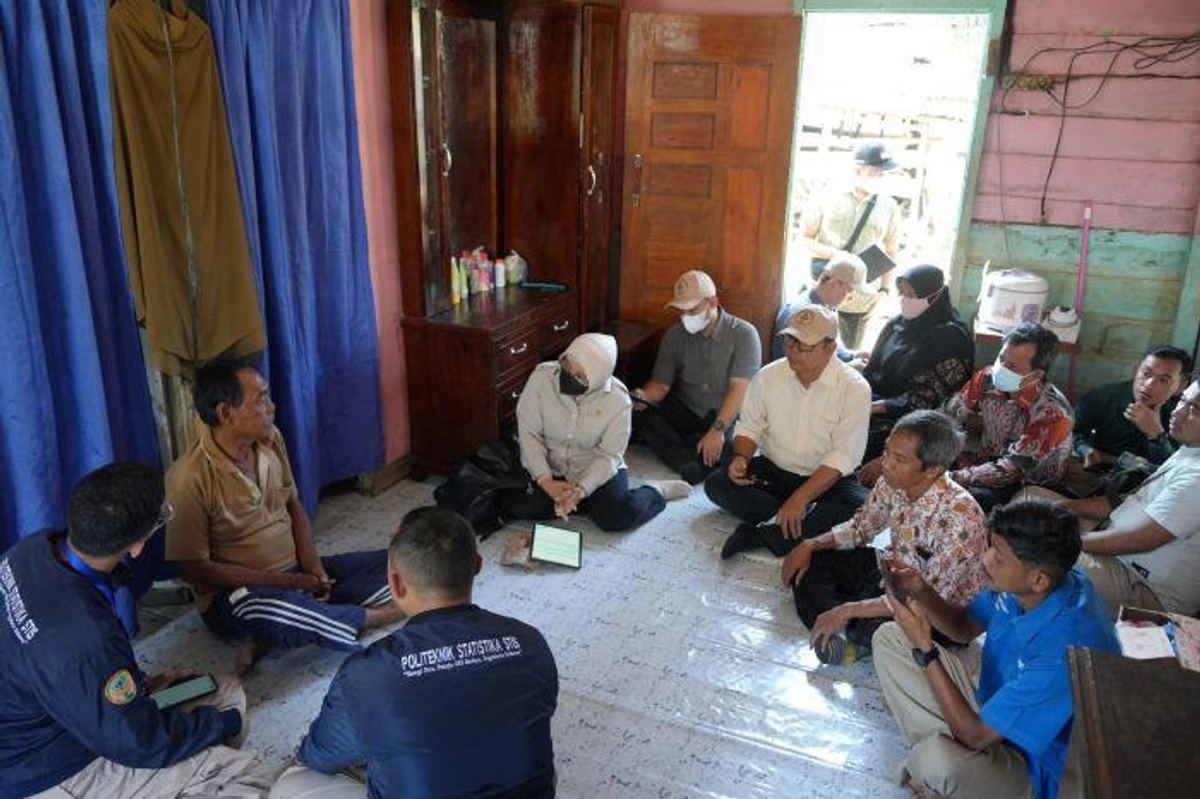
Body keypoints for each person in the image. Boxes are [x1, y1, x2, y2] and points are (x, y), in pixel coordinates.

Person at [0, 463, 272, 799]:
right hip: (44, 768)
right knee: (246, 774)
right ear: (137, 546)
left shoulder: (32, 549)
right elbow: (138, 743)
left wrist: (135, 684)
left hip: (65, 711)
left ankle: (187, 777)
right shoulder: (86, 637)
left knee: (225, 690)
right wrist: (218, 724)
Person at [269, 507, 558, 799]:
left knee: (295, 781)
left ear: (395, 583)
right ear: (477, 565)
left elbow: (319, 754)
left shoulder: (369, 673)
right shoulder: (530, 641)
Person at [165, 358, 402, 675]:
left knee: (403, 562)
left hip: (295, 575)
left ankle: (278, 633)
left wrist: (314, 569)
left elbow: (294, 506)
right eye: (261, 399)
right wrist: (286, 582)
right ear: (225, 413)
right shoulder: (188, 477)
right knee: (268, 606)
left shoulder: (270, 439)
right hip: (241, 595)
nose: (272, 407)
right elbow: (195, 569)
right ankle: (377, 615)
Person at [873, 500, 1119, 799]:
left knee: (935, 761)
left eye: (999, 557)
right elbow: (964, 627)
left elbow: (976, 736)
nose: (985, 559)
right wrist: (921, 590)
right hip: (993, 713)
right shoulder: (1035, 585)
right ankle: (944, 772)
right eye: (990, 546)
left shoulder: (1065, 651)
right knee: (891, 638)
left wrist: (926, 648)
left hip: (1034, 770)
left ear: (1038, 579)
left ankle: (941, 772)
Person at [780, 411, 988, 664]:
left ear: (933, 470)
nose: (886, 463)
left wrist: (849, 609)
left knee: (897, 629)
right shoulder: (890, 481)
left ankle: (850, 628)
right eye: (887, 451)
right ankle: (851, 630)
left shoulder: (961, 518)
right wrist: (810, 544)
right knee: (810, 564)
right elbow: (861, 529)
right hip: (890, 577)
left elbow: (926, 600)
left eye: (899, 459)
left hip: (937, 611)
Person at [707, 305, 871, 560]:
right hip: (775, 472)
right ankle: (792, 525)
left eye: (803, 346)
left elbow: (843, 456)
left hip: (825, 480)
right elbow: (749, 426)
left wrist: (801, 498)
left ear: (830, 347)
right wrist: (741, 458)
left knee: (863, 507)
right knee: (717, 484)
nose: (793, 351)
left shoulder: (855, 389)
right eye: (789, 341)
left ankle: (764, 532)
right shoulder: (768, 376)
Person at [1028, 377, 1200, 618]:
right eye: (1182, 401)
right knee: (1031, 500)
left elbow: (1140, 539)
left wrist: (1068, 540)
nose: (1178, 412)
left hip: (1144, 586)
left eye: (1195, 409)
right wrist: (1066, 506)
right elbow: (1125, 503)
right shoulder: (1189, 451)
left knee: (1032, 549)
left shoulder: (1196, 477)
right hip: (1118, 546)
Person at [499, 333, 690, 532]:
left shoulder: (618, 400)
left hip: (593, 468)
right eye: (567, 365)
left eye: (580, 376)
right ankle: (580, 504)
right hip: (550, 465)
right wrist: (545, 480)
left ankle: (654, 491)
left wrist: (581, 490)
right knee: (517, 506)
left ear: (597, 379)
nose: (569, 376)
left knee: (615, 518)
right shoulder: (542, 378)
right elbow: (529, 435)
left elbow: (609, 455)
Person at [632, 270, 762, 485]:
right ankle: (695, 459)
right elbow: (661, 385)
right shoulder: (674, 336)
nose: (685, 316)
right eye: (681, 311)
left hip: (727, 416)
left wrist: (717, 430)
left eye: (692, 310)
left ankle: (691, 458)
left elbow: (739, 389)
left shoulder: (744, 334)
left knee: (740, 441)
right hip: (689, 410)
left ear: (713, 302)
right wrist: (643, 397)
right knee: (645, 415)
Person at [854, 264, 974, 470]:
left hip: (917, 424)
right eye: (903, 293)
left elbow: (929, 400)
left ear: (935, 297)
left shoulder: (951, 339)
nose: (905, 300)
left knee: (856, 446)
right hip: (877, 403)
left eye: (913, 295)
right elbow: (874, 369)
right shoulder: (897, 324)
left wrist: (877, 407)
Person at [944, 322, 1072, 511]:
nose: (1001, 368)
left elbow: (1013, 469)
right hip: (987, 461)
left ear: (1036, 375)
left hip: (1029, 484)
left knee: (963, 500)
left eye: (1011, 366)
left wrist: (952, 478)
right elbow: (949, 413)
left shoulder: (1053, 414)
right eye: (1001, 358)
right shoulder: (986, 378)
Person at [796, 141, 904, 349]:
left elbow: (891, 251)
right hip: (824, 289)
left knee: (851, 353)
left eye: (885, 173)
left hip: (860, 296)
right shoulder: (825, 196)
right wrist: (838, 256)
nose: (882, 177)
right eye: (877, 172)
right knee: (810, 346)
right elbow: (803, 240)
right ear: (857, 170)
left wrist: (884, 292)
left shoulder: (889, 207)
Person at [1065, 344, 1190, 497]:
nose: (1149, 384)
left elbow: (1177, 470)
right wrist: (1085, 449)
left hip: (1147, 489)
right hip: (1097, 473)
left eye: (1164, 380)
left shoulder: (1185, 417)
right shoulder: (1105, 396)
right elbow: (1072, 430)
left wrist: (1156, 435)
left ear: (1181, 385)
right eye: (1146, 373)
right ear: (1136, 370)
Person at [770, 254, 872, 362]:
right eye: (849, 291)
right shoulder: (806, 316)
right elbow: (803, 365)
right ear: (834, 284)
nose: (850, 298)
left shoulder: (822, 306)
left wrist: (851, 356)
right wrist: (850, 367)